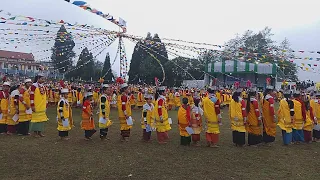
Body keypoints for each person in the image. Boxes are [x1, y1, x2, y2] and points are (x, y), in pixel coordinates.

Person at [30, 73, 48, 137]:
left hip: (42, 105)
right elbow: (31, 96)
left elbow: (46, 96)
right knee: (36, 119)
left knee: (42, 119)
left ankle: (40, 132)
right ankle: (35, 132)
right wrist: (32, 105)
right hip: (36, 105)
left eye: (44, 79)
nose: (43, 80)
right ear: (38, 79)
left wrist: (46, 104)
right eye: (42, 79)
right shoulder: (34, 86)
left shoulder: (43, 86)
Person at [262, 79, 276, 146]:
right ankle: (268, 140)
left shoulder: (263, 97)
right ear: (270, 91)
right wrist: (273, 115)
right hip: (269, 115)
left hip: (264, 114)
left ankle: (265, 139)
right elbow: (271, 108)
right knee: (270, 127)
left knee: (265, 126)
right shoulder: (270, 98)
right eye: (272, 91)